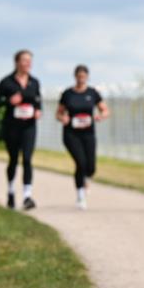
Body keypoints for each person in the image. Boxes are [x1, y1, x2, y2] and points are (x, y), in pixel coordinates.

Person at [0, 50, 42, 210]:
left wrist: (38, 110)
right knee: (13, 159)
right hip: (12, 126)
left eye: (30, 61)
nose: (28, 64)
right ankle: (11, 191)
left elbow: (38, 100)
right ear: (17, 62)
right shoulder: (6, 82)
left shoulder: (34, 82)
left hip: (29, 126)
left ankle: (27, 196)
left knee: (27, 159)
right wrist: (8, 100)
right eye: (25, 60)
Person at [56, 65, 110, 209]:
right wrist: (63, 118)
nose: (81, 79)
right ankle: (80, 196)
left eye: (84, 76)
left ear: (87, 77)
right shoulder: (68, 94)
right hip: (71, 134)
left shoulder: (93, 93)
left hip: (88, 133)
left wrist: (101, 116)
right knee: (80, 163)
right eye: (79, 76)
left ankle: (86, 179)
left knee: (90, 167)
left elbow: (105, 110)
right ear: (75, 77)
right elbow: (58, 113)